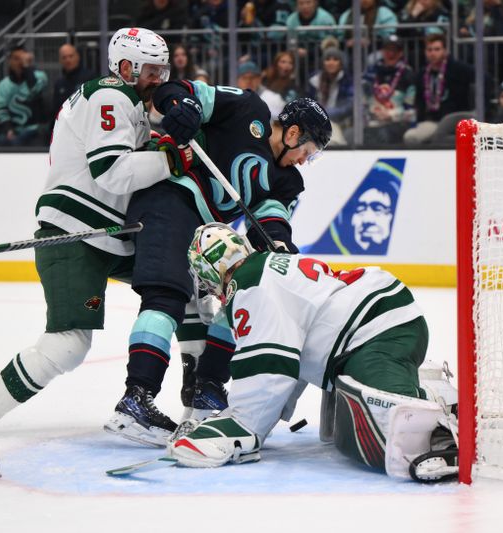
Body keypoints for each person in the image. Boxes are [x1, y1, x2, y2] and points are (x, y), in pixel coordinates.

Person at [0, 28, 178, 438]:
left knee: (182, 285)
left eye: (163, 69)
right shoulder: (111, 95)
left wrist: (162, 144)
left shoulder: (127, 102)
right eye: (152, 70)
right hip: (77, 232)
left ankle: (200, 397)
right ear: (126, 68)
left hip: (112, 232)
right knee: (68, 343)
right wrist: (170, 159)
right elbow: (114, 172)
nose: (160, 78)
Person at [103, 83, 332, 446]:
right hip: (167, 199)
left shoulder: (287, 181)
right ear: (292, 133)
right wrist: (180, 107)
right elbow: (174, 89)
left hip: (202, 229)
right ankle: (136, 397)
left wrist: (280, 247)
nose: (305, 160)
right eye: (309, 151)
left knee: (246, 287)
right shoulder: (247, 109)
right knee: (165, 298)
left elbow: (270, 222)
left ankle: (208, 388)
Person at [170, 223, 459, 485]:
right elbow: (291, 353)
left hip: (376, 331)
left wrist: (242, 425)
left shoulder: (249, 286)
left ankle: (444, 429)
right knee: (355, 417)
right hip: (378, 322)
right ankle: (429, 392)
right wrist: (265, 413)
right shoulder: (265, 268)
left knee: (396, 425)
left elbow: (270, 364)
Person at [403, 34, 474, 145]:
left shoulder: (458, 69)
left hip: (454, 120)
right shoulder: (422, 74)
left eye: (437, 49)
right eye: (429, 50)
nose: (433, 53)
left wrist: (482, 109)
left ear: (445, 51)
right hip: (431, 121)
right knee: (410, 136)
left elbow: (484, 78)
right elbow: (418, 100)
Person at [360, 34, 415, 145]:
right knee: (355, 134)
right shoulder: (371, 73)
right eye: (388, 50)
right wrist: (368, 116)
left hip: (397, 122)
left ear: (401, 53)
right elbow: (362, 102)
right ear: (382, 51)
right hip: (372, 121)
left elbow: (412, 110)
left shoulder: (408, 75)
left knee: (382, 134)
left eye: (395, 50)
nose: (391, 54)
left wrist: (392, 115)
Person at [0, 45, 49, 146]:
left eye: (22, 58)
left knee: (20, 141)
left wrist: (27, 66)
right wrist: (8, 130)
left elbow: (35, 89)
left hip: (35, 128)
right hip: (13, 129)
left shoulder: (40, 77)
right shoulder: (4, 84)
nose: (19, 62)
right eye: (16, 59)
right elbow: (2, 111)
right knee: (0, 142)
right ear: (10, 62)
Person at [307, 47, 354, 130]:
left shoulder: (347, 81)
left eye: (335, 59)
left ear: (341, 63)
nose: (331, 63)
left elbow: (349, 105)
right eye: (327, 59)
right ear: (323, 63)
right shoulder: (315, 80)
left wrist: (326, 114)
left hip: (341, 123)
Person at [51, 43, 94, 116]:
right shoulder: (59, 83)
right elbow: (56, 110)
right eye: (64, 57)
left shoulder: (90, 78)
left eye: (71, 56)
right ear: (60, 60)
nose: (68, 60)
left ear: (78, 56)